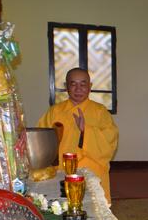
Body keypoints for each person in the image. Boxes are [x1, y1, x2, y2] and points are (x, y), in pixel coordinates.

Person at [38, 68, 118, 204]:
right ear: (66, 86)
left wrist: (86, 130)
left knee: (93, 208)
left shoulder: (100, 111)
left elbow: (110, 141)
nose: (78, 89)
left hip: (92, 171)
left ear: (90, 86)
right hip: (62, 170)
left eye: (83, 84)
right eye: (73, 84)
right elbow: (41, 139)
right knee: (63, 207)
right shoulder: (55, 111)